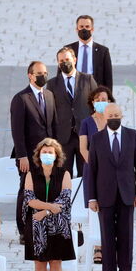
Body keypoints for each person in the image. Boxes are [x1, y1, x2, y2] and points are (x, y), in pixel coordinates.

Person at [87, 103, 136, 271]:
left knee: (126, 236)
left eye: (116, 115)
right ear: (105, 117)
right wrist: (91, 197)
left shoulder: (132, 136)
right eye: (110, 115)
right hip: (104, 195)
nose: (113, 118)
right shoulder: (96, 139)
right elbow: (92, 169)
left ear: (122, 116)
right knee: (107, 236)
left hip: (127, 194)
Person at [24, 138, 75, 271]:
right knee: (39, 264)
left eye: (50, 152)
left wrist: (45, 211)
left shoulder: (64, 174)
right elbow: (29, 199)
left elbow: (64, 201)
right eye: (44, 152)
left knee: (55, 262)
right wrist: (50, 207)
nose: (47, 155)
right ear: (39, 155)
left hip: (57, 226)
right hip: (36, 226)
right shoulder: (31, 174)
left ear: (56, 155)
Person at [10, 61, 58, 238]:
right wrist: (22, 155)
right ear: (30, 75)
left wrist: (56, 153)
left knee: (45, 189)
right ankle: (24, 230)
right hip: (28, 156)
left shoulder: (50, 96)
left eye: (45, 72)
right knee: (27, 191)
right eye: (39, 73)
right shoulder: (21, 98)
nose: (43, 76)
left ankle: (43, 224)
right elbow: (17, 130)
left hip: (48, 156)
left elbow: (53, 126)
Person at [47, 47, 97, 175]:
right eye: (61, 60)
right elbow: (50, 111)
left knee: (86, 174)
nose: (65, 63)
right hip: (63, 138)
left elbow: (96, 106)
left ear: (75, 60)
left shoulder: (88, 79)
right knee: (64, 175)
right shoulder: (52, 84)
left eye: (67, 59)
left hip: (85, 136)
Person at [79, 87, 111, 264]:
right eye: (97, 99)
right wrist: (95, 163)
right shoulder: (86, 123)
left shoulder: (113, 121)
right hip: (93, 170)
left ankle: (109, 244)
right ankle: (98, 247)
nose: (101, 102)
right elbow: (83, 148)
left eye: (104, 99)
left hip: (111, 172)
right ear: (92, 102)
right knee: (95, 208)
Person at [63, 15, 113, 89]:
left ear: (92, 29)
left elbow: (108, 78)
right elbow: (61, 74)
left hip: (95, 92)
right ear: (77, 29)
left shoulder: (103, 51)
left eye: (87, 27)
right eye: (81, 26)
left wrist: (108, 97)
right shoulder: (67, 49)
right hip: (74, 91)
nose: (84, 29)